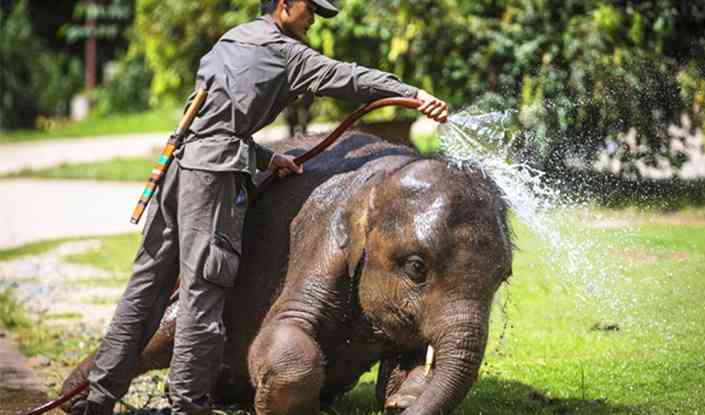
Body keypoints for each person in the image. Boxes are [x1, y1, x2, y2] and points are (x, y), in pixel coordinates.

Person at [75, 0, 448, 414]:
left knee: (145, 289)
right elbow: (350, 78)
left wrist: (265, 158)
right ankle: (186, 405)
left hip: (178, 168)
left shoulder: (232, 39)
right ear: (285, 5)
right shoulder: (287, 53)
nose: (313, 22)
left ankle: (97, 397)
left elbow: (212, 119)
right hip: (211, 178)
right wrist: (411, 94)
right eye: (309, 10)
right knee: (203, 293)